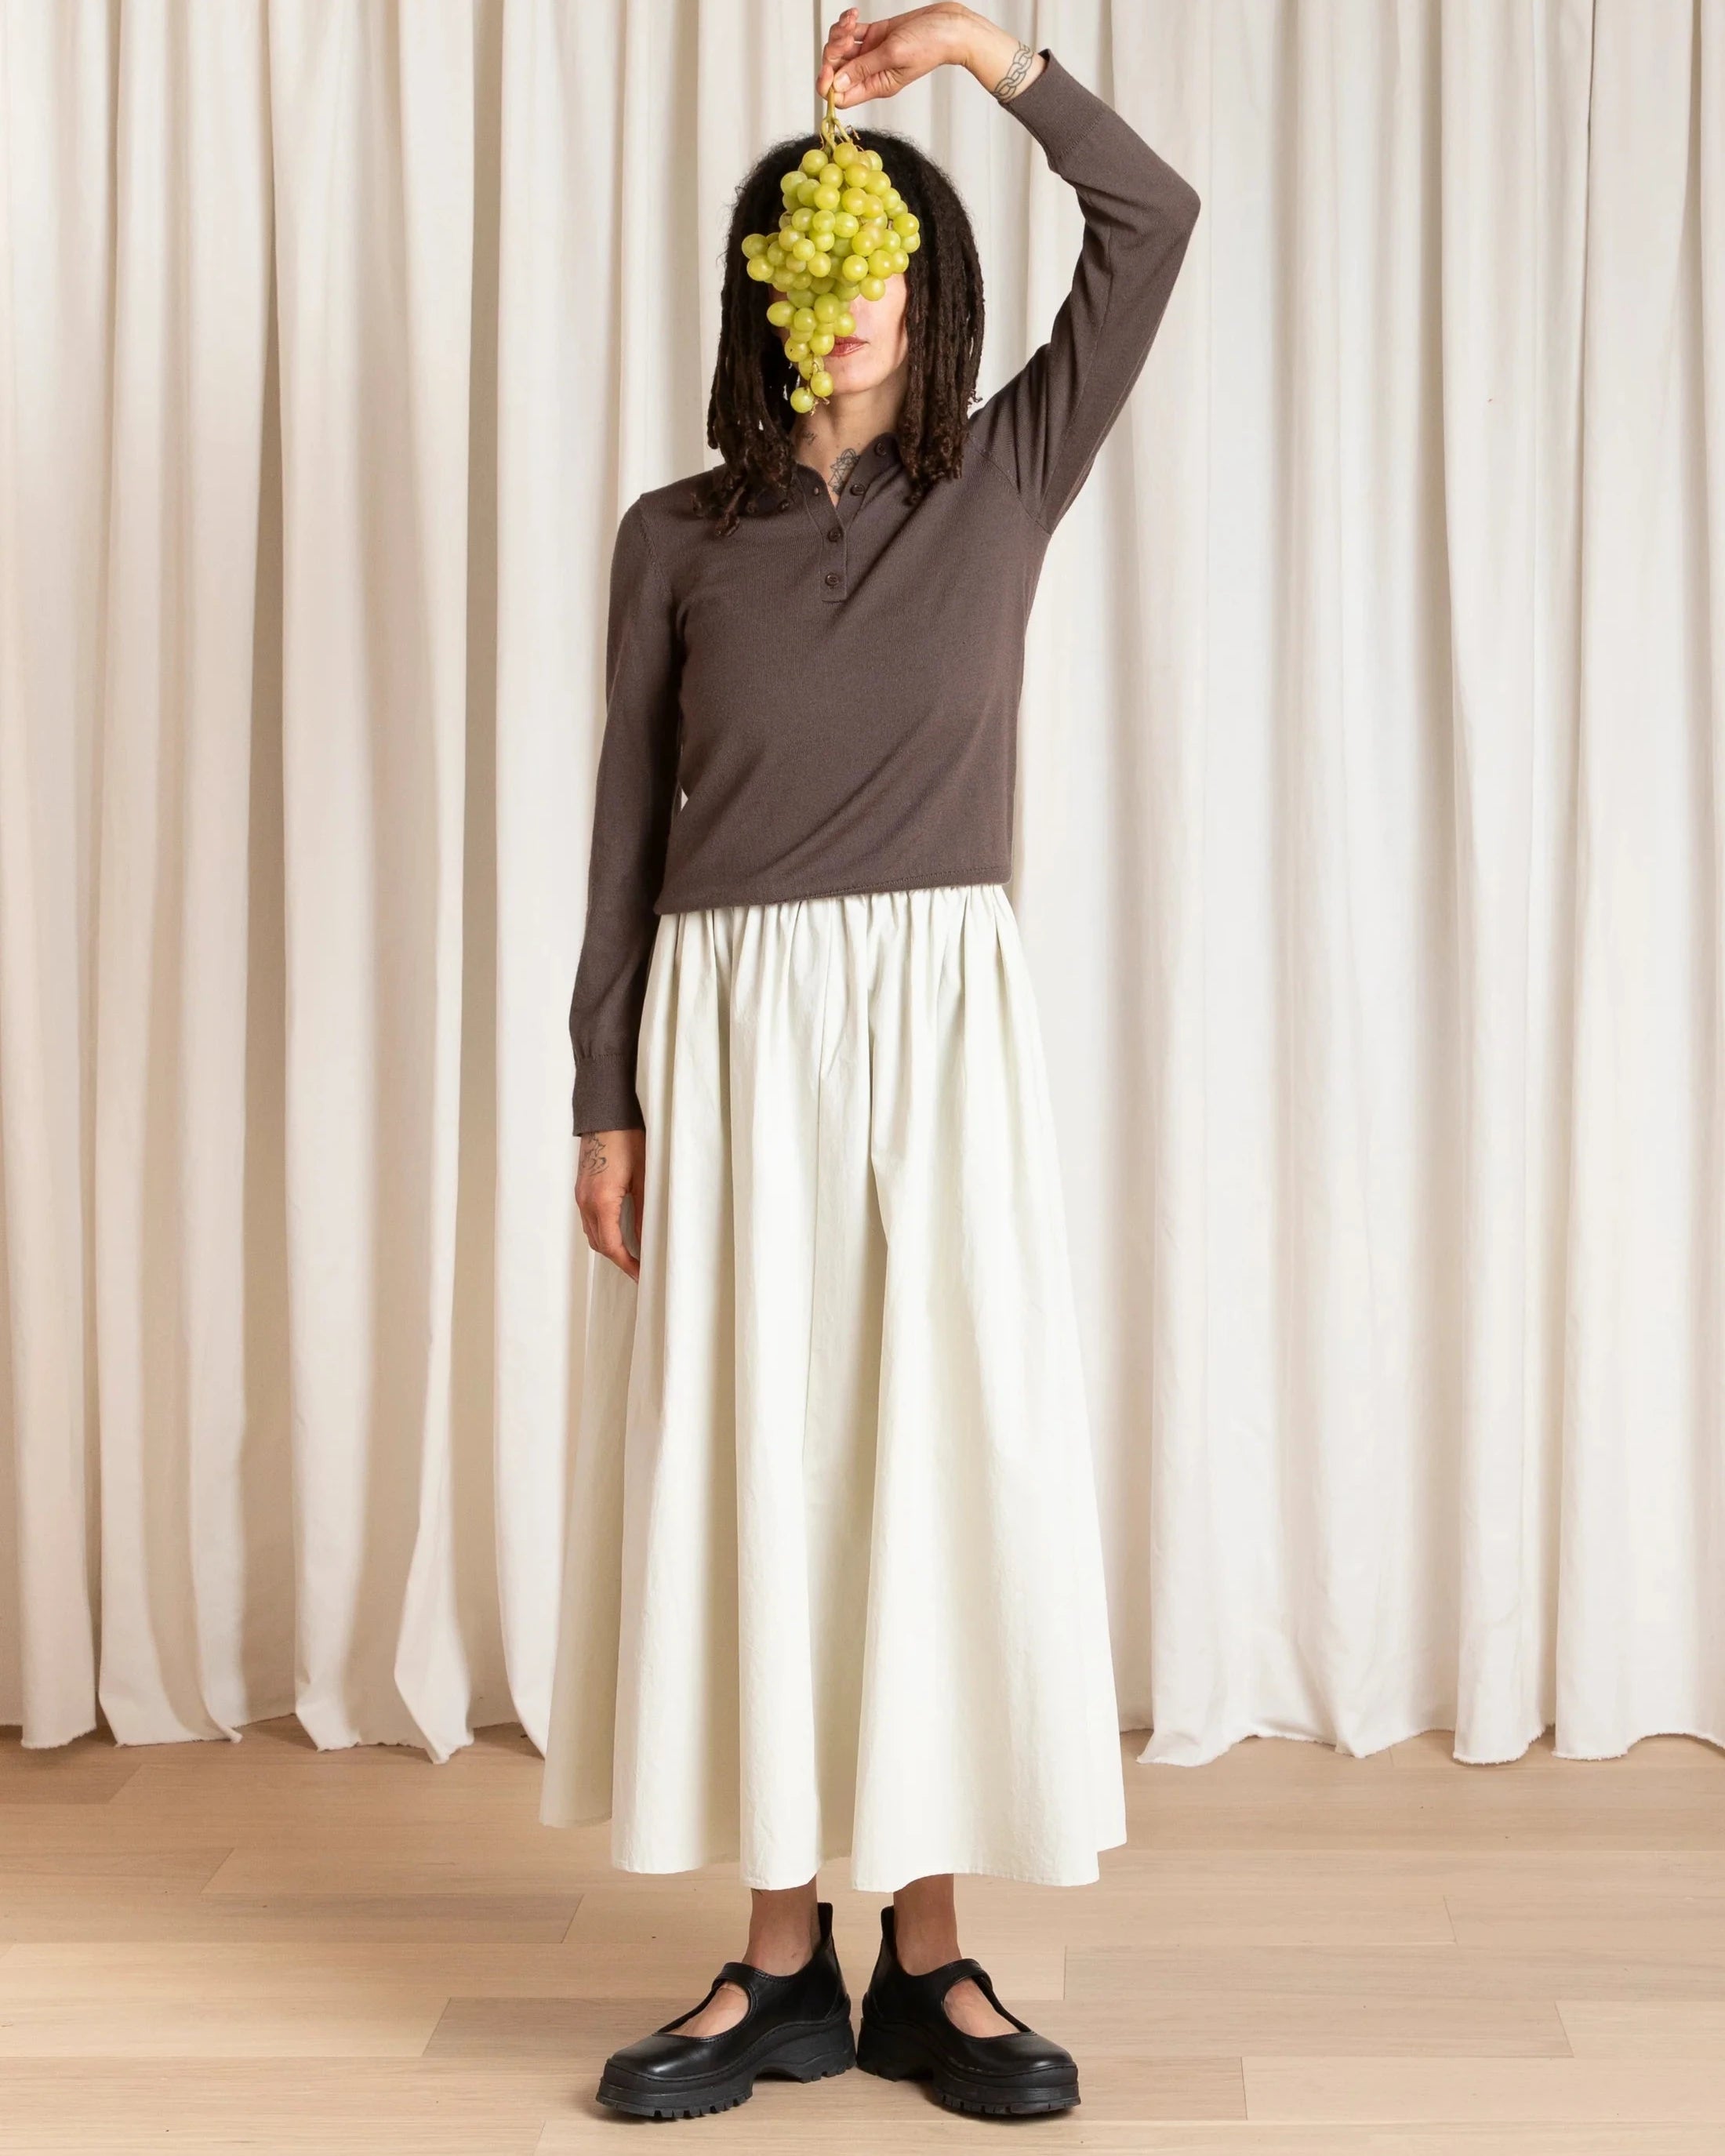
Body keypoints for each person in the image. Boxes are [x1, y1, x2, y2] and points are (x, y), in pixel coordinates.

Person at [539, 1, 1200, 2123]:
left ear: (931, 294)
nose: (851, 312)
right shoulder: (674, 536)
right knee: (753, 1461)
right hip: (728, 1035)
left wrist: (996, 62)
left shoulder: (1005, 471)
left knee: (932, 1458)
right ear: (765, 297)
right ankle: (772, 1961)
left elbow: (1154, 215)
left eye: (891, 273)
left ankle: (929, 1957)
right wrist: (603, 1090)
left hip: (940, 1028)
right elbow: (628, 829)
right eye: (818, 273)